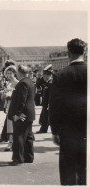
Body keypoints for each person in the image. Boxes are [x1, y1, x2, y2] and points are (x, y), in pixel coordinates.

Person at [49, 38, 87, 185]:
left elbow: (54, 106)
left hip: (68, 130)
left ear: (68, 53)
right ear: (84, 52)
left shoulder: (60, 76)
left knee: (68, 170)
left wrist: (54, 131)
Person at [8, 65, 35, 164]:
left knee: (18, 136)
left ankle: (18, 159)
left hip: (22, 115)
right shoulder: (30, 82)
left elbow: (21, 101)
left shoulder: (22, 83)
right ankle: (29, 157)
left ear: (20, 73)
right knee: (28, 137)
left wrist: (17, 114)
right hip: (29, 114)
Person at [2, 65, 19, 151]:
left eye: (11, 73)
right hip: (9, 104)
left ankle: (14, 142)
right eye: (8, 73)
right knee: (9, 123)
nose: (9, 75)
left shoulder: (17, 83)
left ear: (14, 73)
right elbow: (6, 95)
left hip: (15, 105)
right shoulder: (8, 83)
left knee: (14, 123)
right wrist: (5, 103)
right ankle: (10, 142)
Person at [36, 65, 53, 134]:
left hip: (48, 103)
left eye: (45, 76)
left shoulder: (51, 83)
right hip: (46, 102)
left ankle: (44, 129)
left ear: (48, 76)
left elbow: (51, 95)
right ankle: (43, 129)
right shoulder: (47, 83)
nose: (43, 77)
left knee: (47, 117)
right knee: (45, 116)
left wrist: (50, 103)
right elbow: (38, 84)